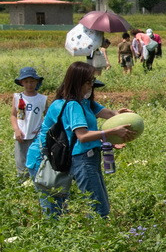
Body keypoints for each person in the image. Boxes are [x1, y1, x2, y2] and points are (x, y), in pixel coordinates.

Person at [25, 62, 135, 217]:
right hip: (43, 159)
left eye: (92, 82)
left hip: (63, 154)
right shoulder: (70, 105)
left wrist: (119, 116)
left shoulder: (84, 102)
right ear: (78, 83)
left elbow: (108, 115)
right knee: (53, 209)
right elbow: (81, 136)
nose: (91, 86)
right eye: (89, 82)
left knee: (64, 206)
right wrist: (111, 132)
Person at [12, 66, 46, 179]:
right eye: (26, 82)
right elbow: (13, 115)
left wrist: (41, 130)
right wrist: (16, 130)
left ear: (37, 82)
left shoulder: (42, 99)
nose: (29, 84)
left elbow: (48, 117)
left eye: (32, 81)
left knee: (37, 160)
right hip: (21, 136)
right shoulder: (17, 97)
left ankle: (36, 183)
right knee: (21, 162)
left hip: (36, 136)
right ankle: (23, 183)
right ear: (22, 83)